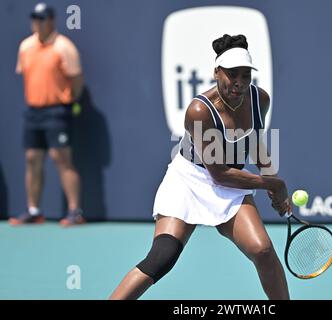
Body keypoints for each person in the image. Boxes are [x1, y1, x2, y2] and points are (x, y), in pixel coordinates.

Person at [110, 34, 291, 300]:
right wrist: (274, 184)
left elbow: (255, 142)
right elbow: (219, 174)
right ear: (217, 72)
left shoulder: (259, 99)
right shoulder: (199, 110)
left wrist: (272, 179)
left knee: (263, 250)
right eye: (232, 74)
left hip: (233, 181)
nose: (239, 83)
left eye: (245, 75)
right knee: (163, 257)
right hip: (190, 180)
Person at [9, 3, 85, 226]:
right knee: (32, 159)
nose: (37, 23)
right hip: (33, 111)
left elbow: (77, 80)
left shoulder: (64, 47)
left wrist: (72, 101)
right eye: (34, 18)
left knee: (61, 158)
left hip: (57, 111)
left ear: (51, 21)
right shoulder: (25, 46)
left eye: (41, 19)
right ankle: (34, 210)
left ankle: (74, 212)